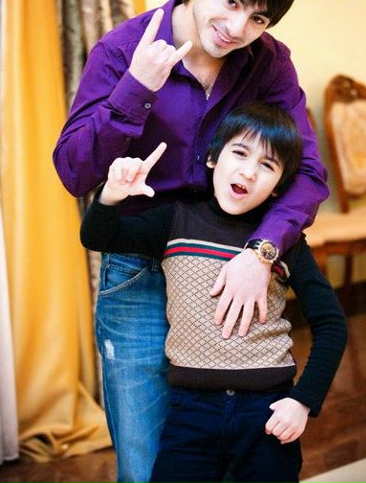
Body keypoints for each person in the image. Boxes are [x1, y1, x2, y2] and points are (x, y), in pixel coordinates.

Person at [53, 0, 329, 483]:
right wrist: (135, 90)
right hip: (137, 268)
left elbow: (307, 171)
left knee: (232, 456)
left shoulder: (268, 63)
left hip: (227, 267)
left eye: (258, 18)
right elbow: (73, 170)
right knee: (145, 464)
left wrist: (261, 251)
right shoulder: (122, 51)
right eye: (230, 1)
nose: (238, 28)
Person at [80, 103, 347, 483]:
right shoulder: (175, 221)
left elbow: (332, 325)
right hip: (189, 413)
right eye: (239, 153)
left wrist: (303, 401)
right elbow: (97, 236)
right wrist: (111, 195)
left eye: (267, 165)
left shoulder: (283, 243)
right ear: (212, 158)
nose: (249, 172)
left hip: (266, 413)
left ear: (279, 186)